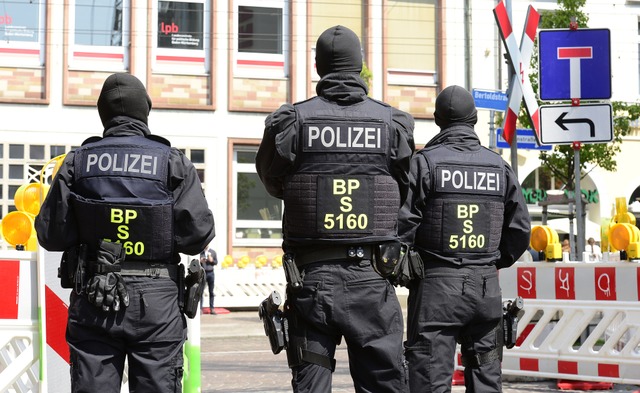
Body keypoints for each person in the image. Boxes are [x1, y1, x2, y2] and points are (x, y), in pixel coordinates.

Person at [255, 25, 415, 393]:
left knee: (311, 384)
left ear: (318, 67)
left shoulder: (291, 122)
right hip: (372, 281)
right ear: (360, 66)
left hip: (312, 281)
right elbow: (405, 189)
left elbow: (272, 181)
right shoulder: (392, 125)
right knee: (384, 384)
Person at [35, 73, 215, 392]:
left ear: (103, 113)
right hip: (158, 302)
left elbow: (51, 236)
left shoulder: (78, 163)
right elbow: (197, 236)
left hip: (95, 297)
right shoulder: (171, 163)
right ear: (145, 111)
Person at [398, 85, 531, 393]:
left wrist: (407, 269)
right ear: (474, 119)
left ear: (437, 120)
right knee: (486, 380)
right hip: (485, 288)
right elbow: (521, 229)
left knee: (430, 380)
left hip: (435, 288)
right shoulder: (499, 166)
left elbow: (401, 226)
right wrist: (492, 260)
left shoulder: (424, 164)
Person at [200, 246, 218, 314]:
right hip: (203, 272)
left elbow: (216, 262)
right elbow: (196, 262)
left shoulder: (213, 252)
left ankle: (212, 308)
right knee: (201, 291)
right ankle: (200, 308)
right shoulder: (200, 252)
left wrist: (212, 260)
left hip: (211, 273)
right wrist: (200, 261)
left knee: (211, 291)